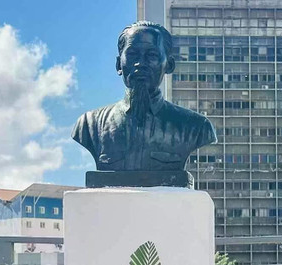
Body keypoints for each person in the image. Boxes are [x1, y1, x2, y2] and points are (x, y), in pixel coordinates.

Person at [72, 21, 216, 173]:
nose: (140, 63)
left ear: (169, 65)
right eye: (133, 54)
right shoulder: (90, 125)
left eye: (152, 55)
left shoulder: (196, 127)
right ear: (118, 65)